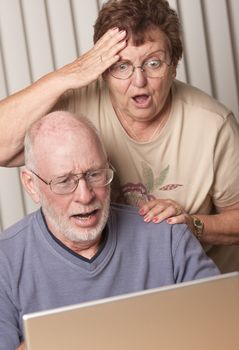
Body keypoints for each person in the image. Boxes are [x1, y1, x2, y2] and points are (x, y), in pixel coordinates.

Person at [0, 0, 239, 273]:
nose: (139, 81)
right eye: (121, 66)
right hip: (116, 283)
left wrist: (193, 225)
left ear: (173, 65)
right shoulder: (78, 107)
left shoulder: (213, 126)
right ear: (103, 72)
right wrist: (68, 75)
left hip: (195, 284)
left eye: (153, 63)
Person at [0, 111, 219, 350]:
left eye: (94, 174)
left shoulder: (168, 236)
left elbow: (224, 329)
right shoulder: (5, 261)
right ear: (31, 185)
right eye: (64, 181)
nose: (85, 196)